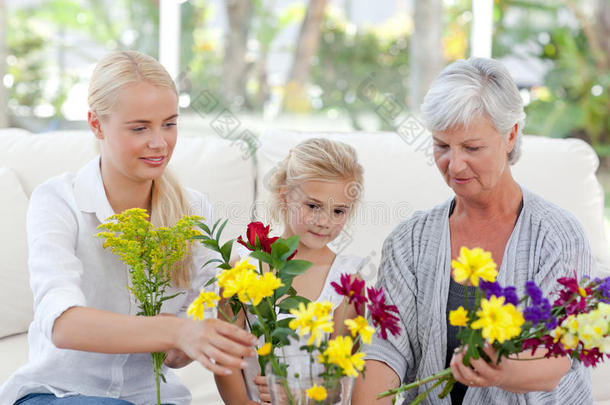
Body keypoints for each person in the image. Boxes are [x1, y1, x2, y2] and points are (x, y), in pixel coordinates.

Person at [0, 51, 256, 405]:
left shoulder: (194, 210)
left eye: (169, 123)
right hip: (59, 394)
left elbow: (204, 317)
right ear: (96, 124)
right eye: (140, 128)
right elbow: (62, 324)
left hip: (154, 397)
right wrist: (177, 331)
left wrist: (198, 336)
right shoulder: (59, 202)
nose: (159, 142)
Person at [352, 57, 595, 404]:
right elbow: (385, 351)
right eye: (441, 146)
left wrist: (501, 371)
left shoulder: (557, 236)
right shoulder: (410, 242)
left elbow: (558, 356)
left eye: (472, 147)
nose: (454, 164)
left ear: (510, 135)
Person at [215, 138, 366, 405]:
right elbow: (224, 357)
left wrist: (298, 394)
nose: (324, 222)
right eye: (313, 206)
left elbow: (342, 375)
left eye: (339, 211)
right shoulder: (244, 268)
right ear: (285, 195)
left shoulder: (347, 281)